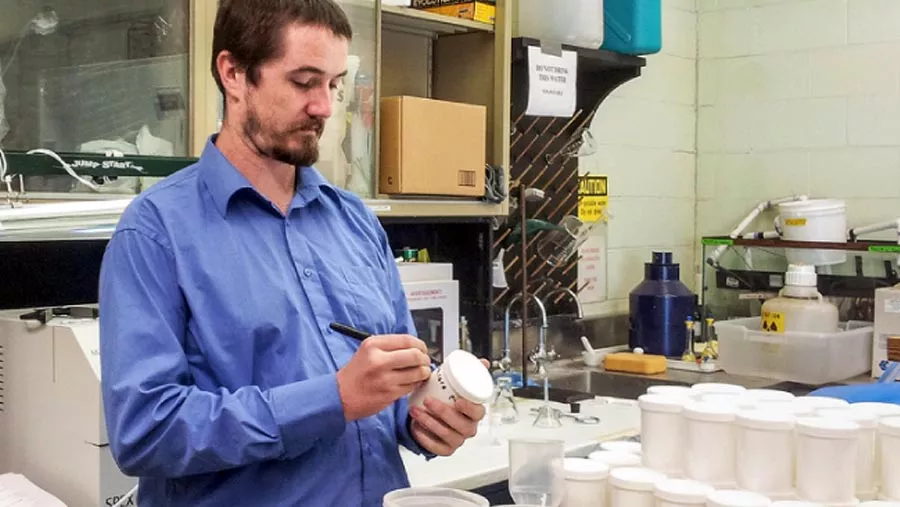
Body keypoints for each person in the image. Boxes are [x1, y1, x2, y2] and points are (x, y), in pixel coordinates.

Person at [98, 1, 486, 505]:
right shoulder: (155, 232)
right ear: (234, 73)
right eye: (304, 83)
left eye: (334, 84)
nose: (325, 107)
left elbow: (390, 393)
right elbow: (145, 433)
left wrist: (430, 417)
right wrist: (332, 399)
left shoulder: (355, 223)